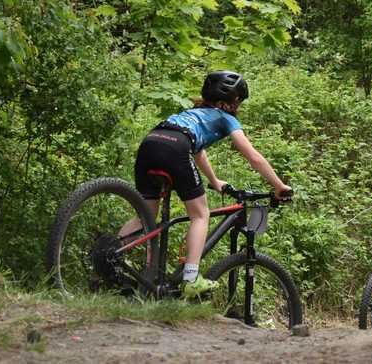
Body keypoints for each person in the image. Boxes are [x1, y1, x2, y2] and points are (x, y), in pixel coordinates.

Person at [118, 71, 292, 298]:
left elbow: (197, 151)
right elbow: (253, 156)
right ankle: (191, 279)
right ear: (233, 101)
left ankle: (112, 255)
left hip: (151, 142)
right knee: (200, 215)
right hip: (177, 147)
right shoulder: (226, 118)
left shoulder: (191, 113)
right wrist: (279, 186)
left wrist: (214, 180)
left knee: (145, 218)